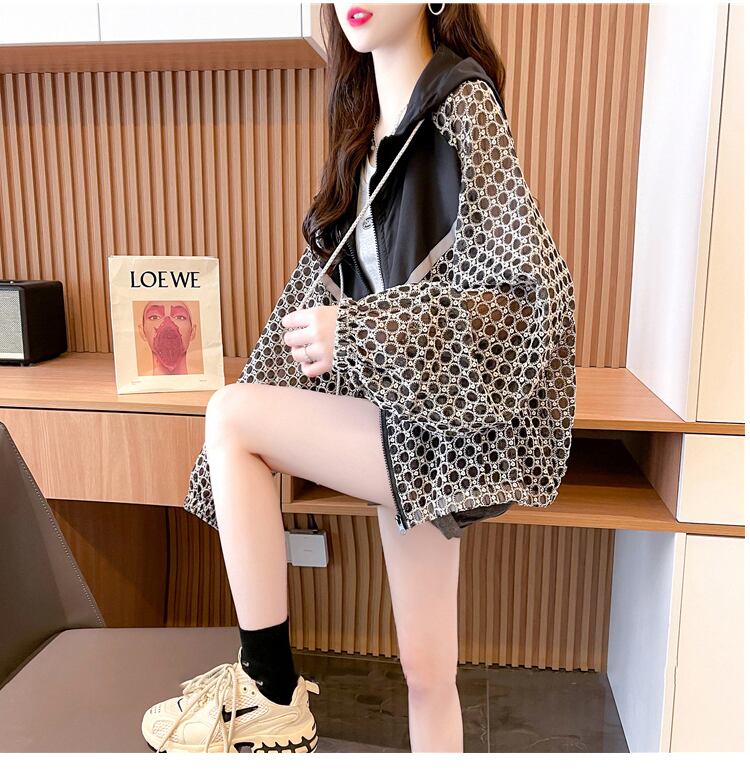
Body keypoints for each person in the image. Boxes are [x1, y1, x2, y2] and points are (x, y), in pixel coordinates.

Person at [142, 2, 576, 754]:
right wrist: (228, 461)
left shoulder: (461, 105)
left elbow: (525, 294)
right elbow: (305, 302)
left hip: (445, 428)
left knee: (231, 416)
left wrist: (363, 332)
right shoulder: (363, 137)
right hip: (402, 418)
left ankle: (269, 689)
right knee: (429, 673)